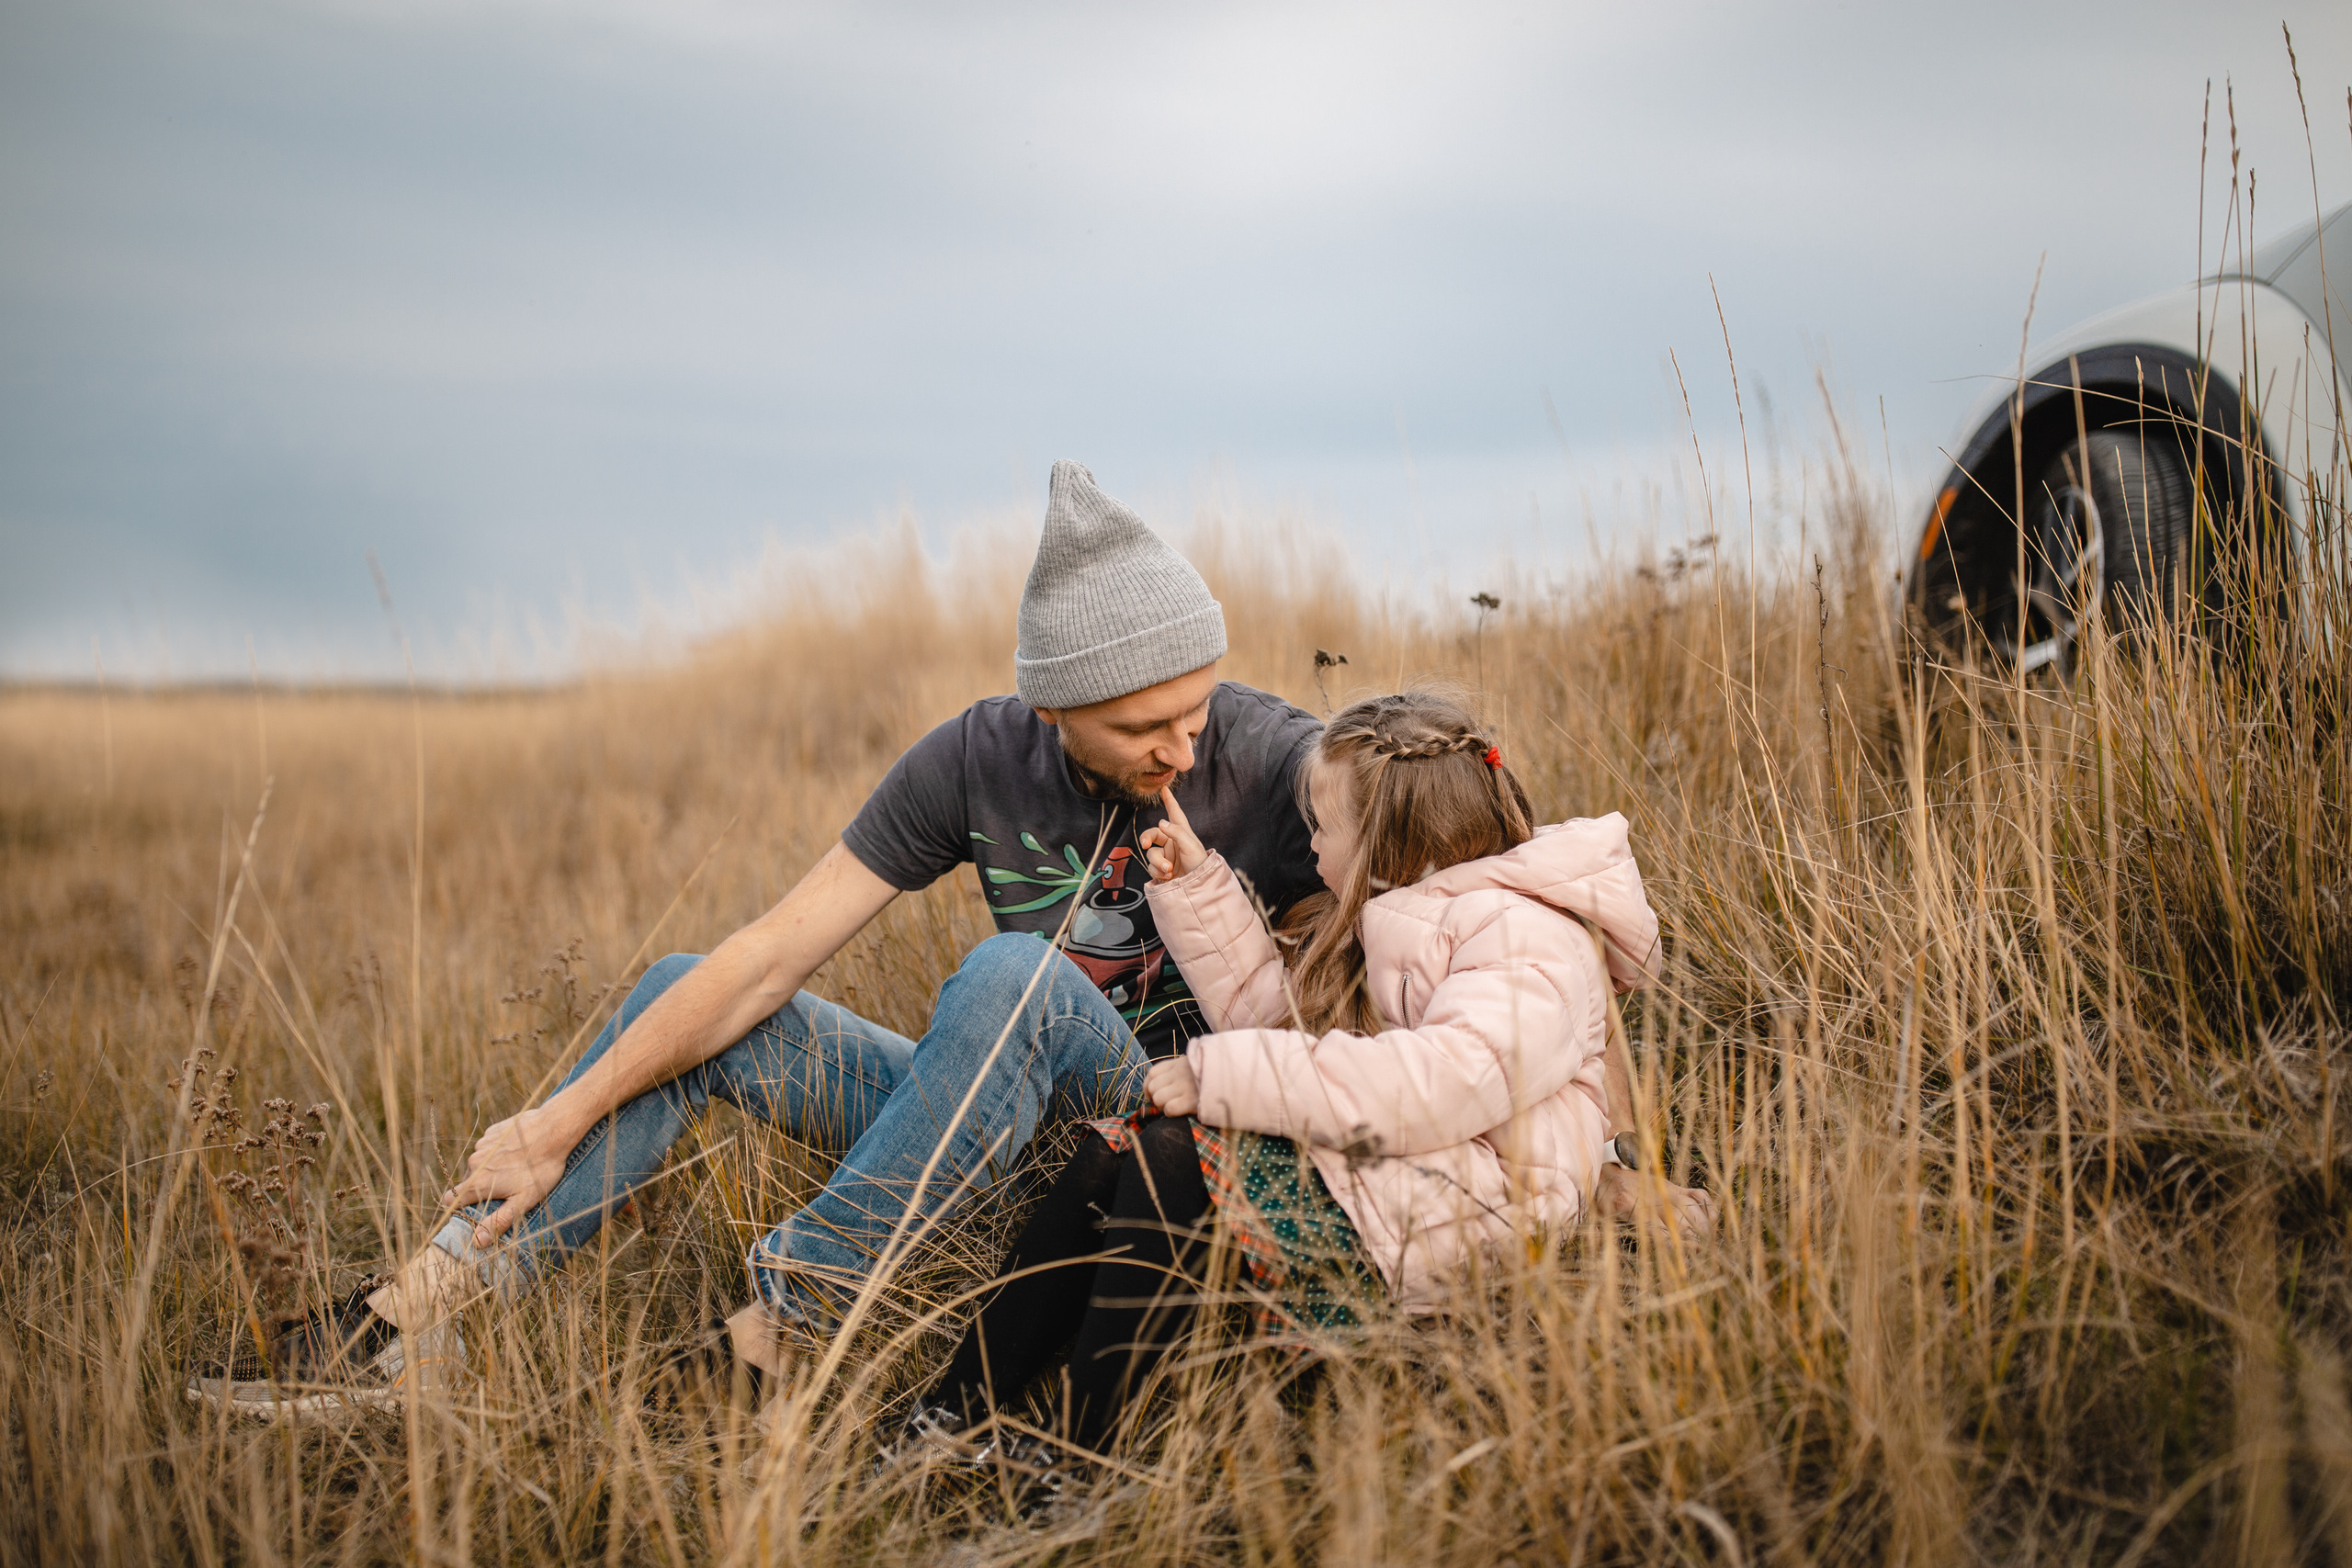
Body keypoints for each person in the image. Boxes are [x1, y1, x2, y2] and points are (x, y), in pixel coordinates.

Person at [187, 460, 1335, 1419]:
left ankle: (787, 1334)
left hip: (1164, 1141)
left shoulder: (1277, 756)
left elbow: (1451, 850)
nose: (1182, 750)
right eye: (1141, 727)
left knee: (1011, 973)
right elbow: (770, 958)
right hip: (998, 1125)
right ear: (1051, 708)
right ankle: (406, 1326)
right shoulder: (976, 759)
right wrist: (556, 1122)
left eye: (1197, 710)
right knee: (688, 993)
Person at [897, 688, 1707, 1478]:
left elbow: (1428, 1086)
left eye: (1324, 825)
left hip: (1473, 1218)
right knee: (1124, 1152)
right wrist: (1198, 892)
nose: (1309, 844)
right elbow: (1293, 1040)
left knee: (1176, 1156)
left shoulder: (1527, 938)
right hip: (1398, 1177)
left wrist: (1217, 1072)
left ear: (1391, 845)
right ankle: (955, 1414)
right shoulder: (1404, 912)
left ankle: (1077, 1454)